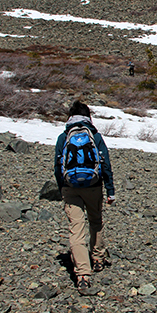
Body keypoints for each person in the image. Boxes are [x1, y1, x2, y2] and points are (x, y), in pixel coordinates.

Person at [54, 101, 115, 293]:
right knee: (95, 221)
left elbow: (57, 166)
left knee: (76, 229)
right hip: (93, 186)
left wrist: (61, 188)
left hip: (70, 187)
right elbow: (105, 164)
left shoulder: (64, 137)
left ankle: (82, 274)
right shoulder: (95, 136)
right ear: (88, 116)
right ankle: (97, 258)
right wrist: (110, 190)